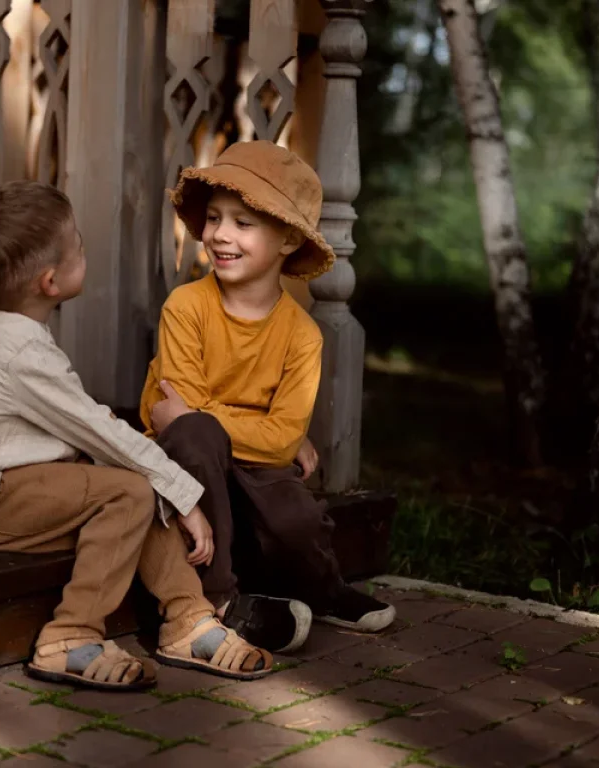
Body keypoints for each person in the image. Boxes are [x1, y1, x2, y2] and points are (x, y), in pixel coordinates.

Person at [0, 180, 273, 691]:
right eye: (78, 245)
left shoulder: (4, 327)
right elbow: (98, 429)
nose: (85, 248)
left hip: (7, 485)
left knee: (132, 483)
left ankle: (188, 620)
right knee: (132, 486)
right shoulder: (18, 354)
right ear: (49, 282)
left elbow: (93, 436)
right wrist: (183, 493)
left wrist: (158, 481)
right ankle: (69, 636)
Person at [140, 141, 395, 654]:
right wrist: (255, 426)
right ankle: (219, 601)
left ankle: (322, 590)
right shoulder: (186, 306)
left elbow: (279, 444)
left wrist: (266, 429)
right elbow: (181, 420)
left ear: (286, 240)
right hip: (190, 464)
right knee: (195, 433)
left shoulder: (302, 335)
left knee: (294, 518)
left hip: (259, 468)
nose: (220, 235)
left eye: (243, 223)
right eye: (213, 218)